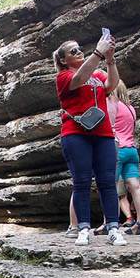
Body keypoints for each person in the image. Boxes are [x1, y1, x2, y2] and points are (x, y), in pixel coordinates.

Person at [54, 35, 126, 246]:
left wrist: (110, 60)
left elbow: (112, 85)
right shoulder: (63, 76)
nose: (78, 52)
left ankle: (113, 227)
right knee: (82, 181)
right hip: (75, 133)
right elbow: (78, 81)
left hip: (103, 133)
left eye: (79, 49)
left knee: (107, 181)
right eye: (73, 51)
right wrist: (97, 53)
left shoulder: (96, 74)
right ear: (64, 60)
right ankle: (83, 228)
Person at [109, 80, 140, 234]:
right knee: (135, 187)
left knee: (110, 186)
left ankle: (109, 223)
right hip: (132, 150)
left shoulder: (113, 106)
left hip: (118, 149)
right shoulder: (131, 108)